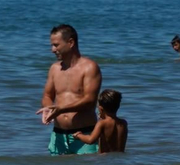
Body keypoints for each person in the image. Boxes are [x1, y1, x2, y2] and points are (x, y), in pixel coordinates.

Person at [40, 23, 102, 155]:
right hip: (58, 135)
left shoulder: (89, 67)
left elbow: (90, 101)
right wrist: (48, 108)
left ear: (71, 42)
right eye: (52, 45)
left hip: (84, 134)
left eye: (56, 45)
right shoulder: (54, 69)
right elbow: (47, 96)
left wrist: (61, 109)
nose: (52, 49)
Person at [73, 89, 128, 153]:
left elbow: (90, 140)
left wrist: (79, 135)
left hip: (105, 160)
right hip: (120, 159)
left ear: (101, 108)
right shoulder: (123, 123)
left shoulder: (102, 123)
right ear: (118, 106)